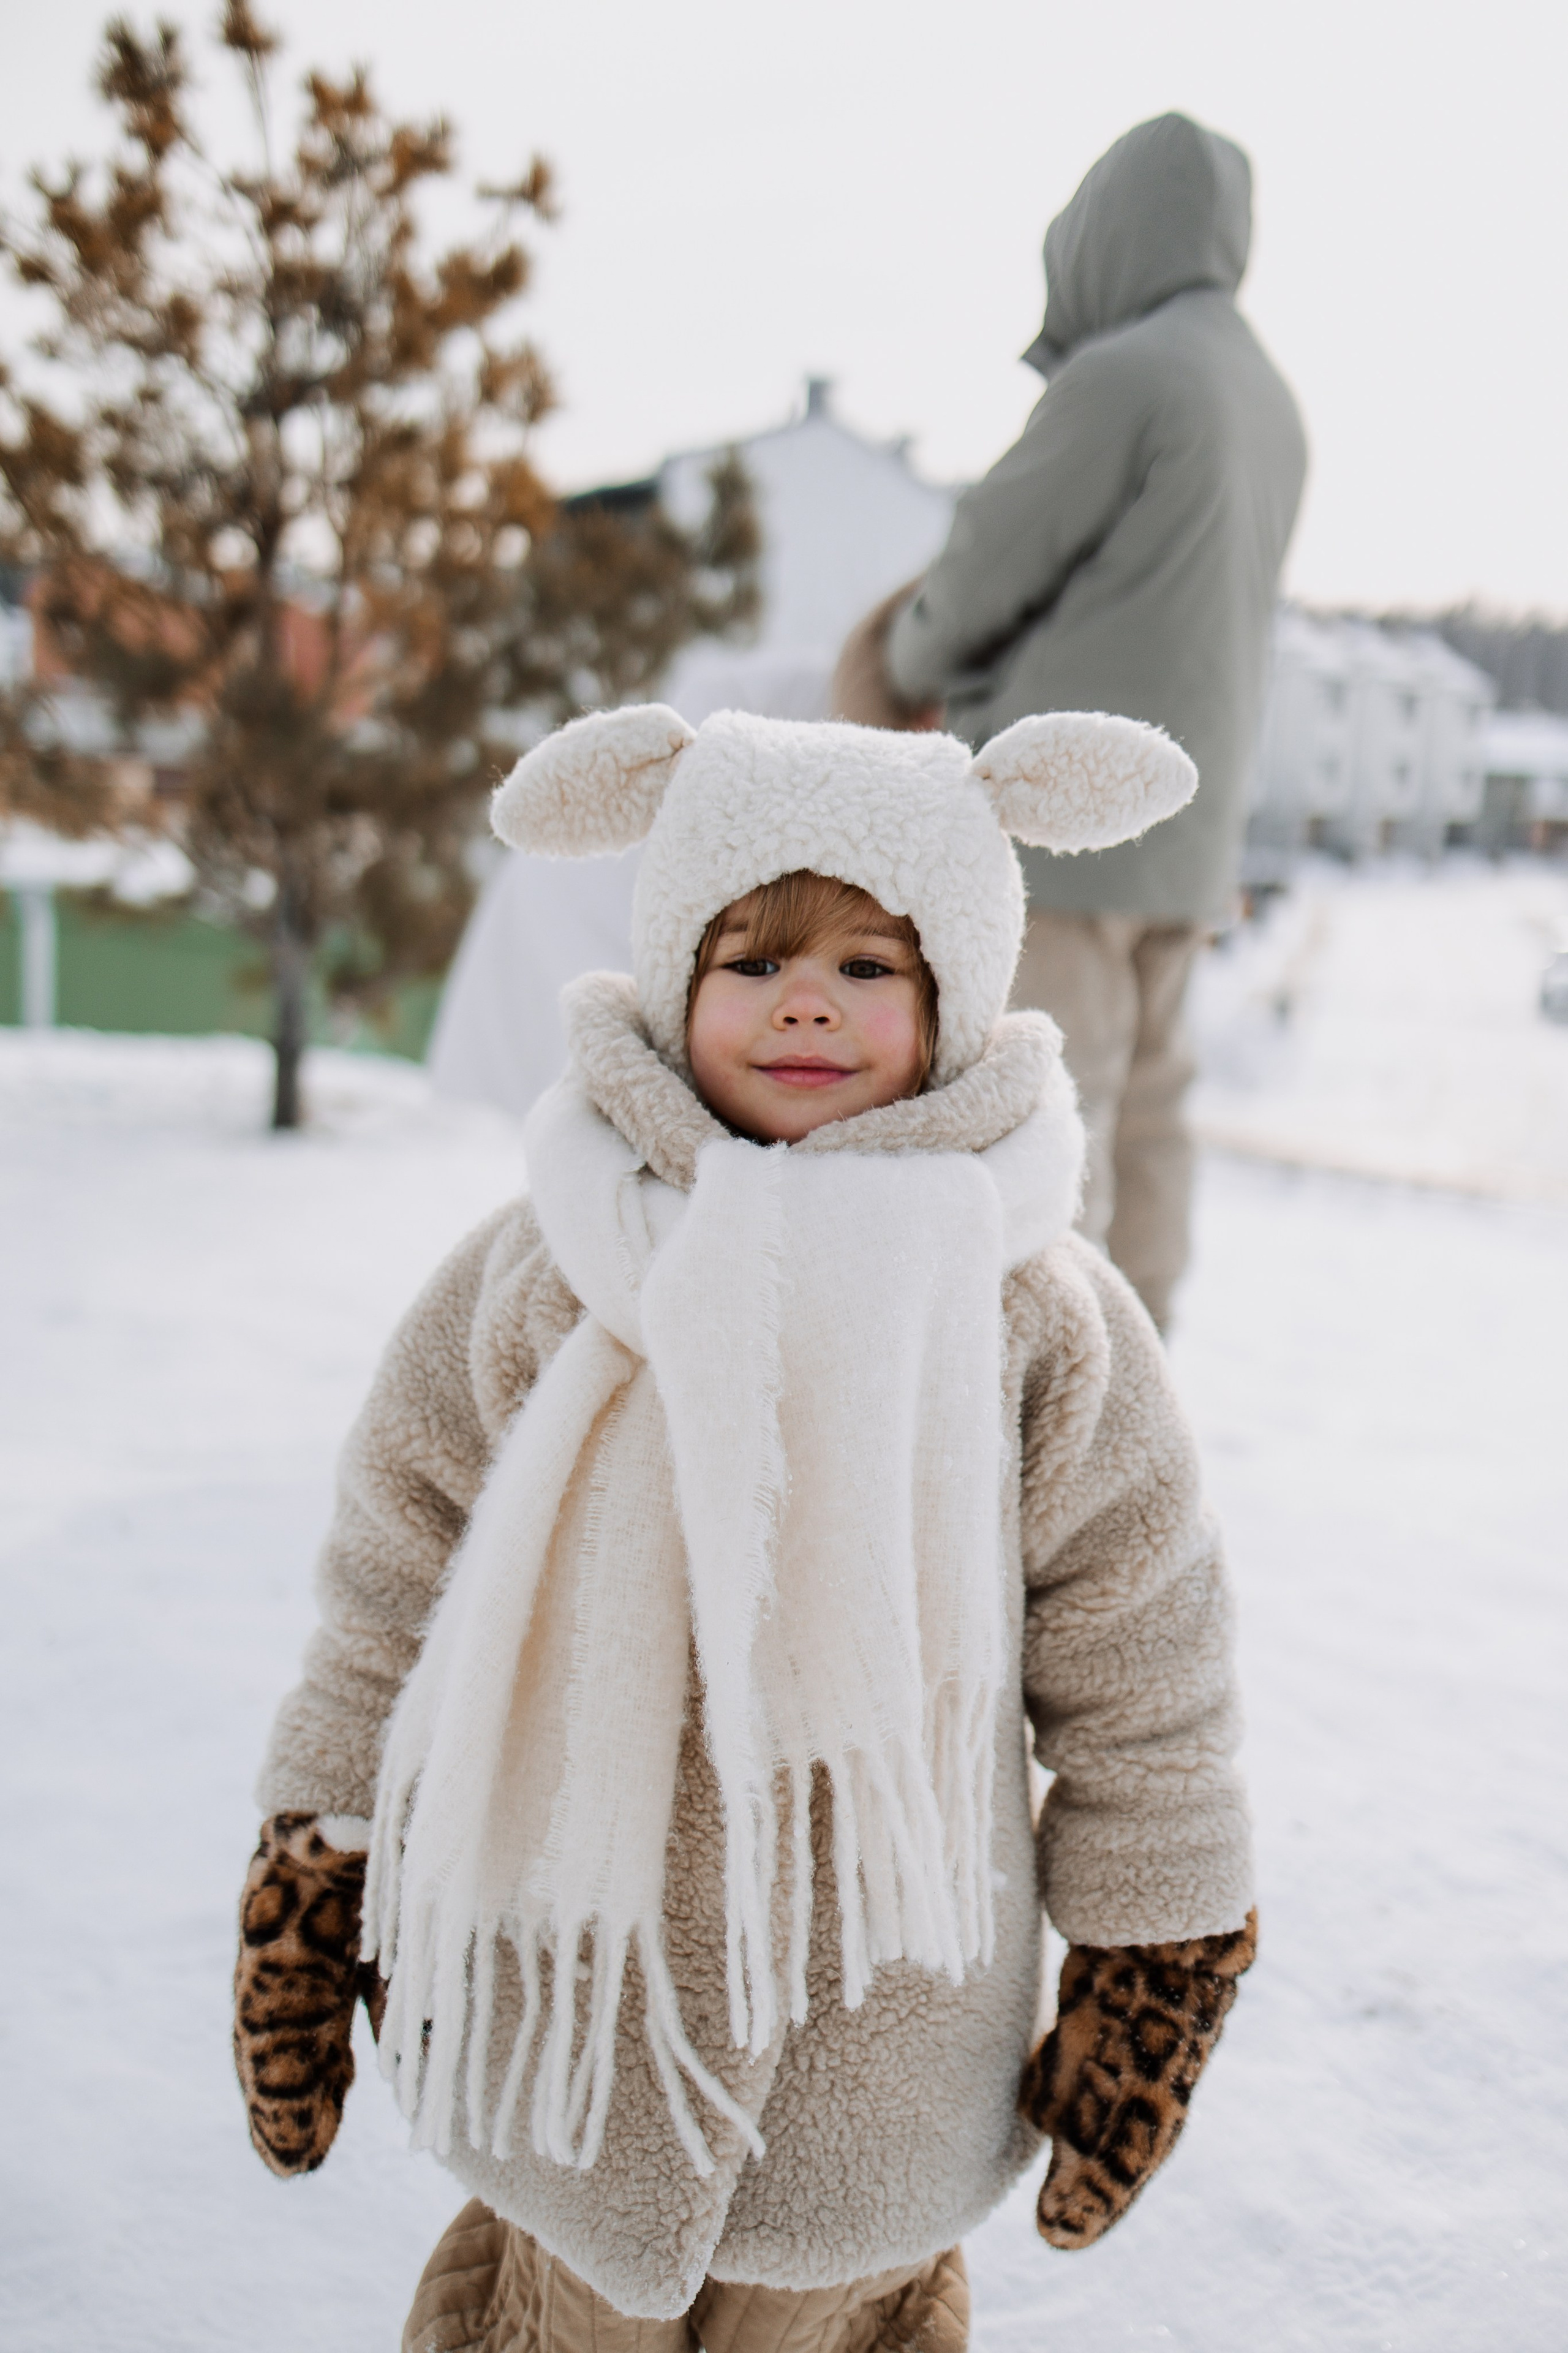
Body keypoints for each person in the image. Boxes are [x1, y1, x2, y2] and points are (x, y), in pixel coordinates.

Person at [233, 701, 1257, 2353]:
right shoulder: (547, 1263)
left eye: (871, 965)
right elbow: (396, 1576)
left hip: (885, 2053)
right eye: (750, 957)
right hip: (570, 2007)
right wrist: (318, 1854)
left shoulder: (1032, 1310)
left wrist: (1158, 1943)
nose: (806, 998)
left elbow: (1145, 1649)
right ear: (666, 981)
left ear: (958, 997)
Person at [839, 113, 1307, 1330]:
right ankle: (1137, 1391)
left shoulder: (1128, 375)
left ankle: (1049, 1421)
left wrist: (893, 659)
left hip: (1066, 823)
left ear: (1103, 232)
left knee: (1052, 1119)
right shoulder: (1266, 397)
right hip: (1184, 835)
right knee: (1149, 1112)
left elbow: (987, 566)